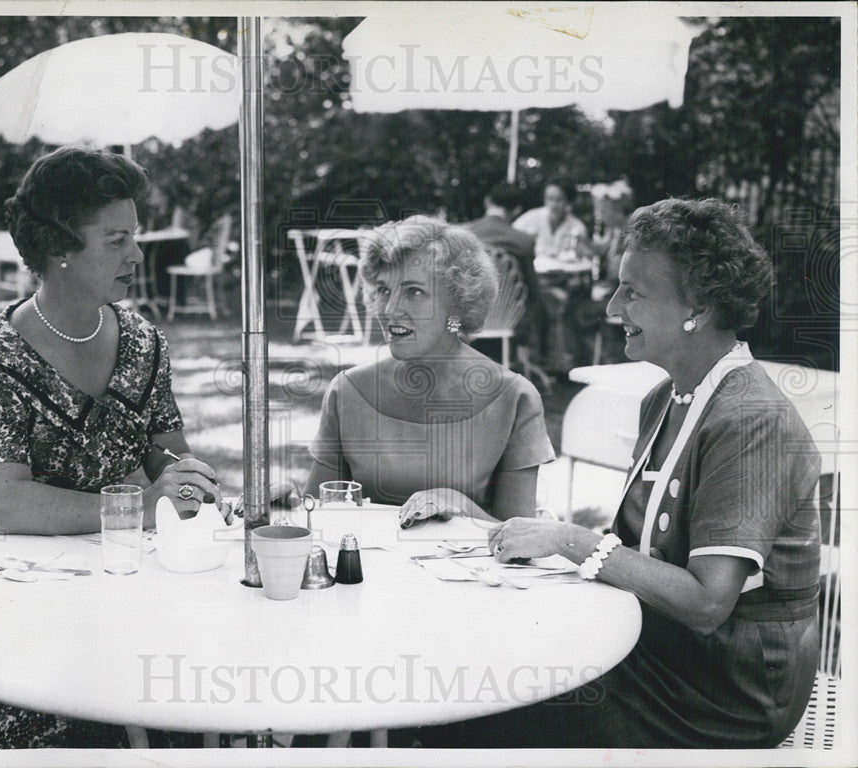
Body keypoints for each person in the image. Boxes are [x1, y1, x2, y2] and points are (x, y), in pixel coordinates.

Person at [419, 198, 821, 749]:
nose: (611, 307)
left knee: (475, 708)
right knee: (465, 661)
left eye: (632, 292)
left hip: (725, 691)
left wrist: (566, 538)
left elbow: (707, 603)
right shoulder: (665, 397)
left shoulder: (752, 421)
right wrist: (492, 522)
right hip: (655, 648)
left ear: (698, 307)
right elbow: (634, 553)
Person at [0, 146, 219, 748]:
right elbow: (3, 501)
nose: (138, 255)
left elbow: (164, 452)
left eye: (133, 236)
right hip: (3, 583)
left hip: (106, 566)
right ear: (60, 248)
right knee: (71, 721)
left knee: (190, 674)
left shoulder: (144, 341)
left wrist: (183, 475)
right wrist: (139, 508)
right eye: (116, 240)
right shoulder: (1, 356)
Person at [305, 215, 555, 526]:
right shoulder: (348, 391)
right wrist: (288, 503)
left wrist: (459, 504)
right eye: (383, 290)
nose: (390, 308)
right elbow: (320, 510)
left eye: (414, 292)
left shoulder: (514, 398)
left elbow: (521, 538)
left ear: (458, 303)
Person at [512, 179, 592, 372]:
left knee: (555, 299)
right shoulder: (531, 219)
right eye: (549, 199)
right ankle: (549, 359)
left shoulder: (576, 227)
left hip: (560, 281)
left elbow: (584, 258)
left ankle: (549, 358)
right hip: (530, 281)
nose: (554, 204)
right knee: (545, 299)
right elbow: (512, 239)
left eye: (559, 199)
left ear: (568, 202)